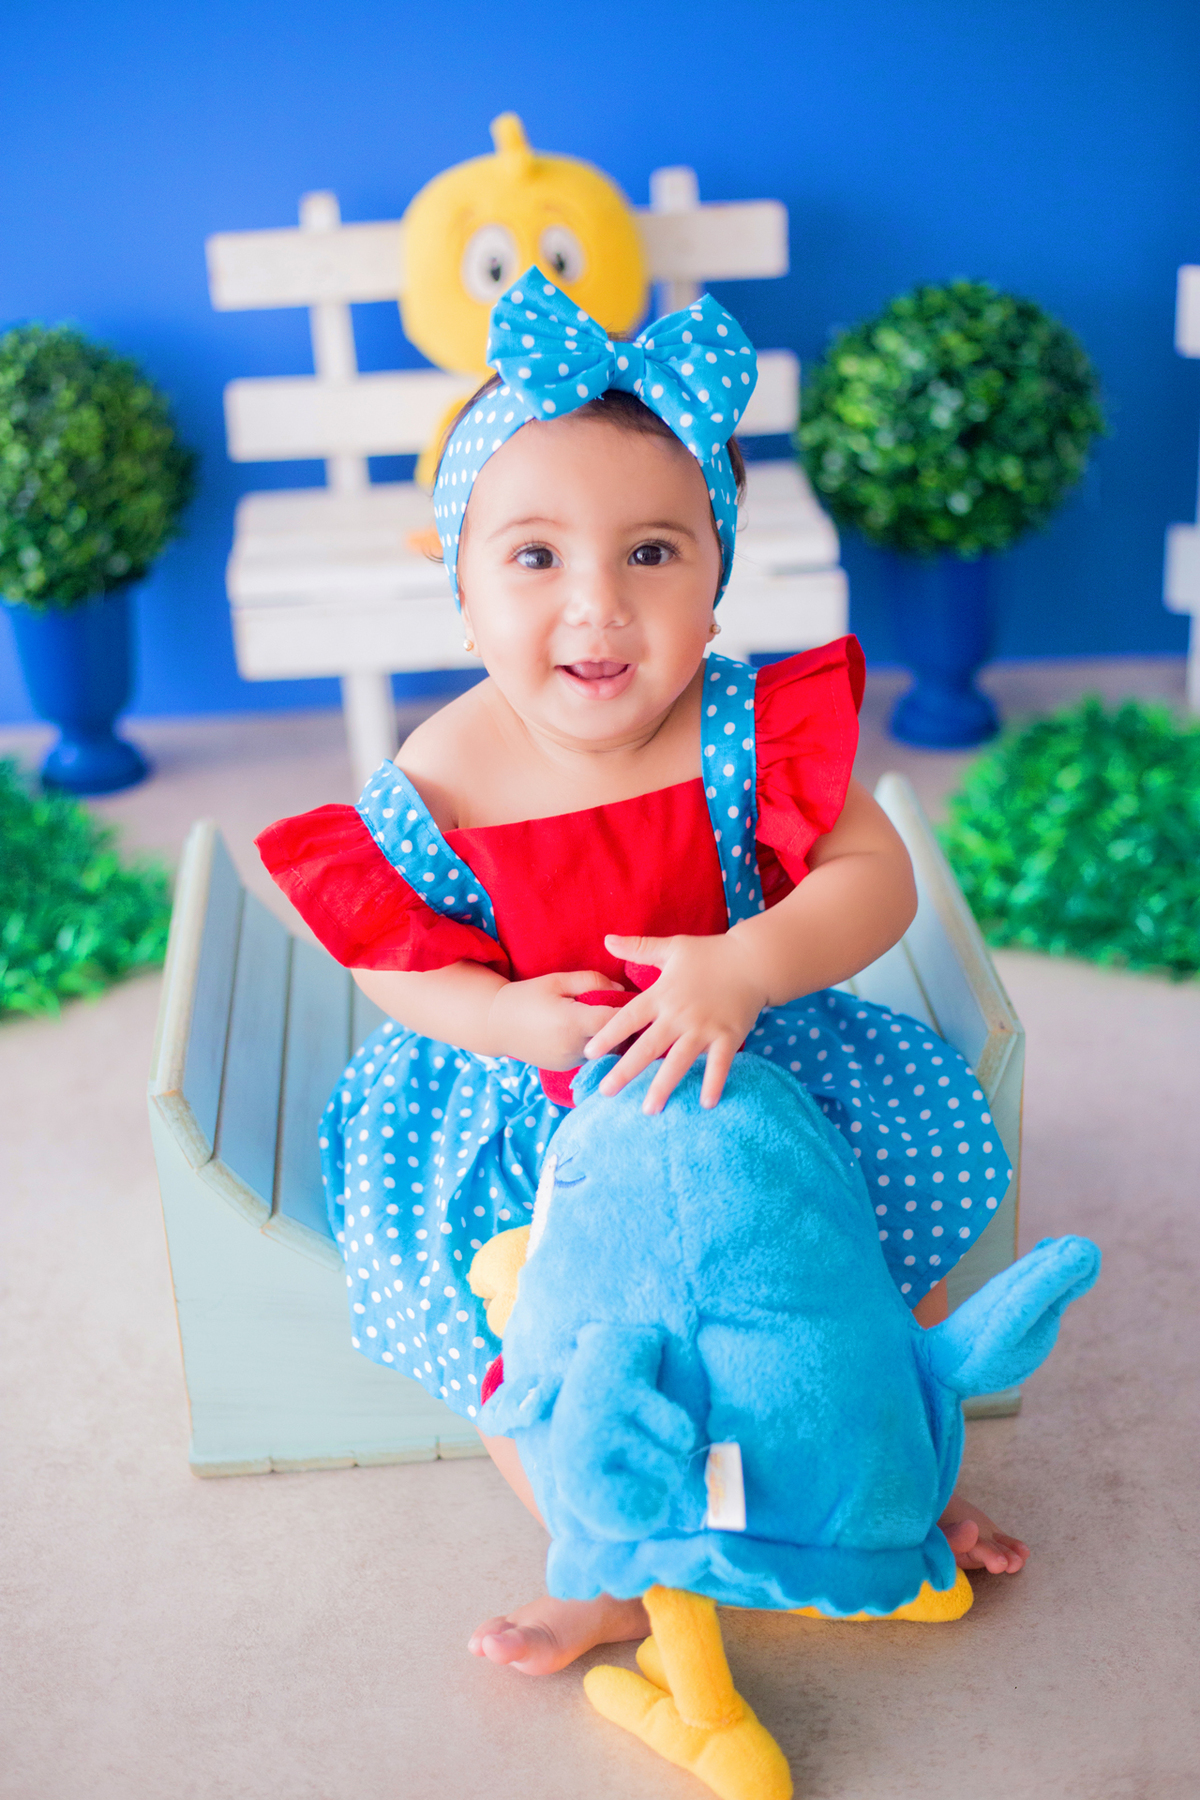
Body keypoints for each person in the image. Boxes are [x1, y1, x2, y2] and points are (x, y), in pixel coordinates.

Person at [258, 273, 1028, 1679]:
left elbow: (875, 881)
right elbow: (392, 956)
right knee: (523, 1342)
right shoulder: (443, 772)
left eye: (654, 554)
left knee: (834, 1263)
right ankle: (597, 1553)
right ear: (464, 584)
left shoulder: (751, 729)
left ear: (718, 578)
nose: (597, 608)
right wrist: (492, 1011)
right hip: (530, 1104)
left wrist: (747, 961)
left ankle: (889, 1476)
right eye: (536, 558)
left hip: (749, 1065)